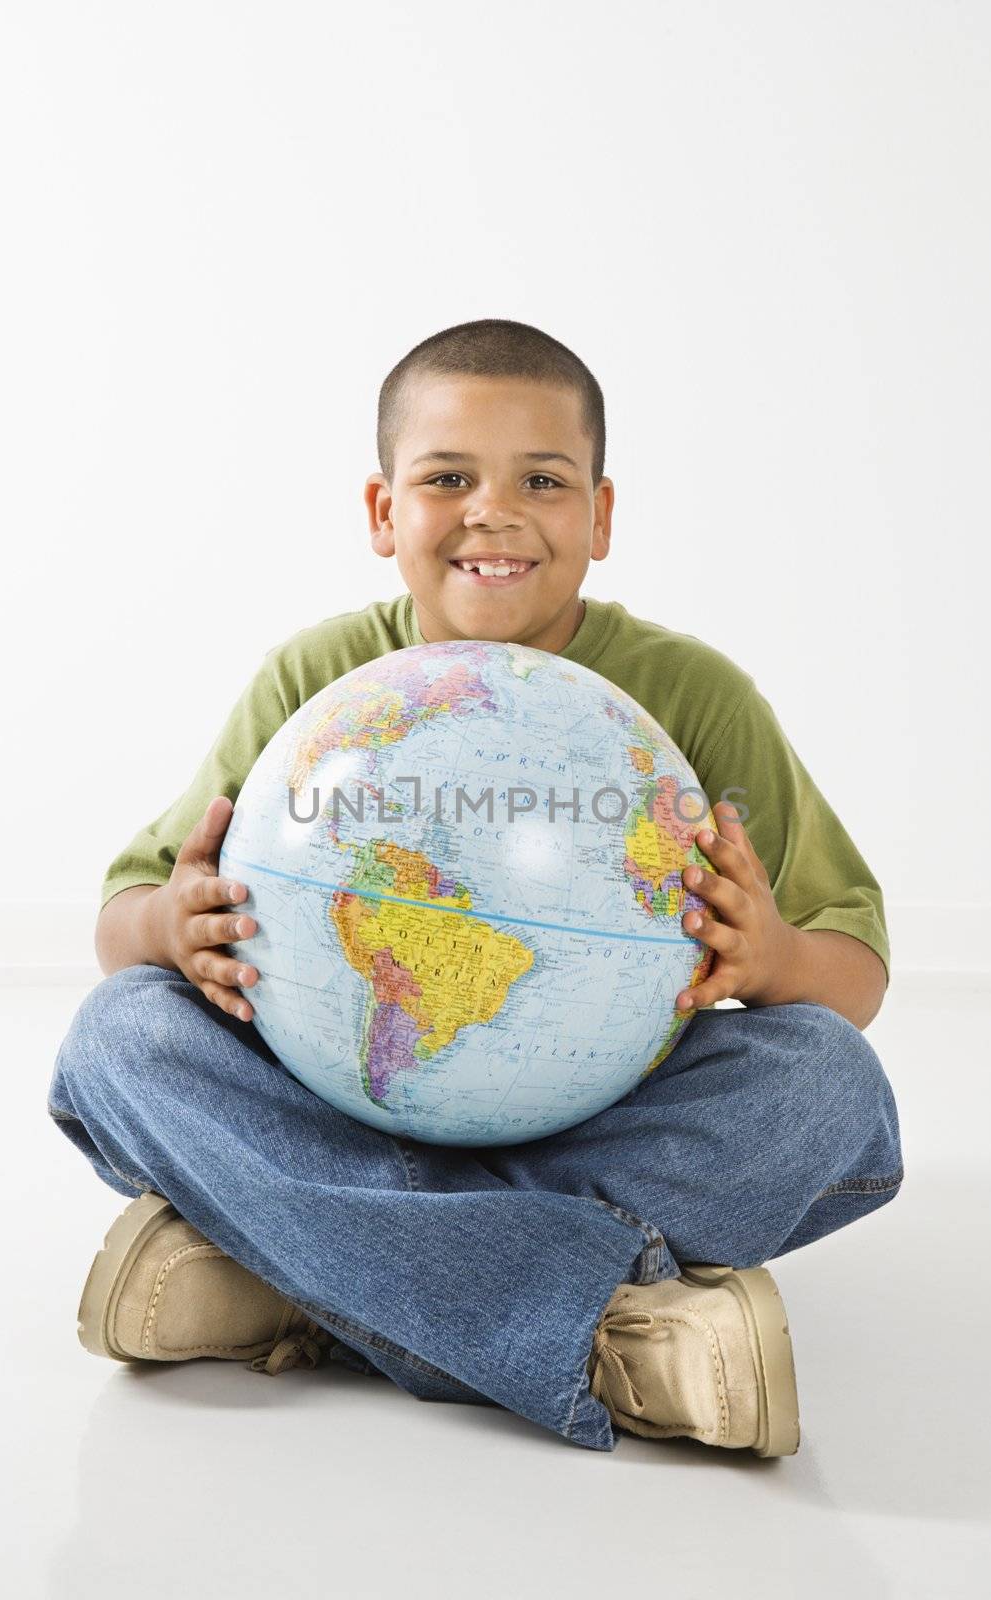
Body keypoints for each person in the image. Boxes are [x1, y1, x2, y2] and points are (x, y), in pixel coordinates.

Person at [47, 318, 903, 1457]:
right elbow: (125, 922)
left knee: (826, 1086)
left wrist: (775, 960)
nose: (489, 511)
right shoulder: (317, 680)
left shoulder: (694, 697)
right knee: (119, 1037)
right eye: (445, 477)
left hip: (594, 1118)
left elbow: (849, 971)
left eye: (540, 480)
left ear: (599, 517)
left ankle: (290, 1270)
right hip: (333, 1092)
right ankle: (600, 1325)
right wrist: (169, 924)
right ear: (380, 510)